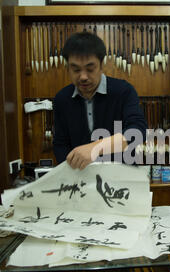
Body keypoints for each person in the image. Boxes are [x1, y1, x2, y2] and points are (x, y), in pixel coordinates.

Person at [53, 32, 147, 170]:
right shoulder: (61, 99)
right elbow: (60, 145)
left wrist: (95, 148)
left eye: (90, 69)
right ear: (68, 67)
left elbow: (138, 132)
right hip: (80, 181)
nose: (83, 76)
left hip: (120, 180)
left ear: (102, 65)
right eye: (76, 70)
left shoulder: (123, 91)